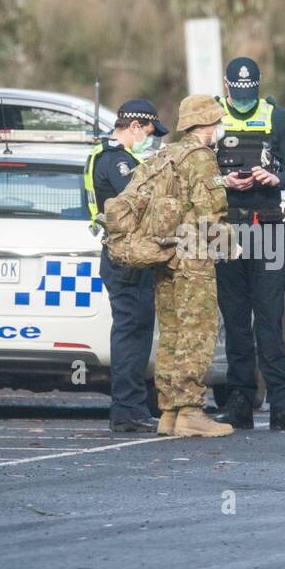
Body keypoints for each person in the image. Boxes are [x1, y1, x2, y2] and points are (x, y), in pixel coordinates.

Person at [210, 56, 285, 431]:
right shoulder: (213, 116)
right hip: (224, 229)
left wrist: (274, 178)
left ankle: (283, 404)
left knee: (270, 318)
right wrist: (224, 182)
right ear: (226, 85)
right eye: (238, 91)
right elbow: (192, 171)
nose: (243, 97)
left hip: (265, 225)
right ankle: (239, 400)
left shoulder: (276, 117)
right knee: (234, 319)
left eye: (249, 91)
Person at [153, 94, 235, 438]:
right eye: (217, 122)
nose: (219, 128)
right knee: (197, 333)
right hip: (193, 256)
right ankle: (191, 411)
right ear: (205, 126)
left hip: (165, 254)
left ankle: (168, 412)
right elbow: (209, 215)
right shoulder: (202, 159)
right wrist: (233, 246)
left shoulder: (167, 154)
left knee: (171, 332)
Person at [86, 99, 167, 433]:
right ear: (134, 127)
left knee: (136, 331)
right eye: (149, 133)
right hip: (125, 258)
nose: (152, 139)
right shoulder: (114, 160)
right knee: (130, 334)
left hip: (130, 256)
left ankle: (131, 407)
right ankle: (126, 409)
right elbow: (140, 203)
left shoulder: (115, 156)